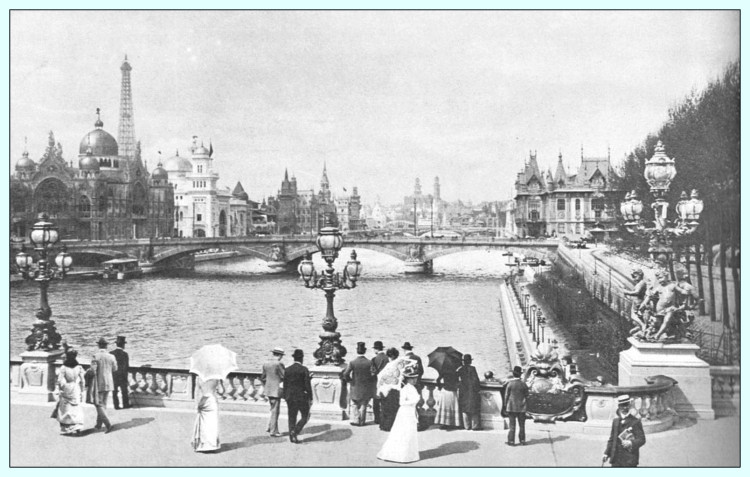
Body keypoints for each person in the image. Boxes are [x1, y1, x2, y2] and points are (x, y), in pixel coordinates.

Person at [376, 365, 421, 464]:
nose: (415, 380)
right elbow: (401, 402)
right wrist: (414, 400)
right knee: (403, 432)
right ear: (408, 379)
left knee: (409, 433)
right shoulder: (405, 388)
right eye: (412, 378)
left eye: (415, 378)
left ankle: (408, 454)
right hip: (405, 412)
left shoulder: (412, 388)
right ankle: (400, 454)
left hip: (410, 412)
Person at [603, 394, 646, 467]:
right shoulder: (615, 421)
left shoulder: (635, 421)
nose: (624, 407)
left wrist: (631, 443)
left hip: (629, 459)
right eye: (622, 405)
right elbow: (612, 439)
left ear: (629, 405)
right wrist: (606, 453)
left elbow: (642, 439)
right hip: (616, 459)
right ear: (619, 406)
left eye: (626, 405)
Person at [87, 337, 117, 433]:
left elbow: (92, 370)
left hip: (98, 382)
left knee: (98, 404)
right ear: (106, 346)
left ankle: (107, 424)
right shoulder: (111, 356)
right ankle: (99, 423)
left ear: (98, 345)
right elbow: (115, 369)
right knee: (103, 403)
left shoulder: (95, 356)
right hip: (109, 382)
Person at [342, 342, 375, 426]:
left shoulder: (353, 362)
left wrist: (350, 381)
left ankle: (356, 420)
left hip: (355, 386)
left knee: (354, 404)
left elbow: (346, 374)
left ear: (357, 351)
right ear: (365, 351)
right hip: (365, 386)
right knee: (364, 404)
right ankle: (362, 421)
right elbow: (373, 374)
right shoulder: (369, 362)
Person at [283, 349, 312, 444]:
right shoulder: (304, 370)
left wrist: (285, 396)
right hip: (301, 397)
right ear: (302, 358)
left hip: (290, 397)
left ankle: (292, 436)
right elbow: (307, 386)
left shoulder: (287, 370)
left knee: (291, 416)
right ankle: (295, 431)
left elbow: (285, 385)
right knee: (305, 416)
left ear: (293, 358)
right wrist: (310, 397)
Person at [54, 349, 85, 435]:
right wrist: (82, 390)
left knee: (65, 408)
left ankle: (66, 428)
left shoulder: (64, 367)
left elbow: (59, 380)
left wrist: (60, 389)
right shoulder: (79, 367)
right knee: (76, 407)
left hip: (67, 387)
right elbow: (83, 380)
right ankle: (77, 426)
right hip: (76, 388)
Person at [261, 346, 285, 437]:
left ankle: (270, 427)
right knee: (275, 411)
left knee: (272, 409)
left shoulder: (266, 363)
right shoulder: (279, 364)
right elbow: (284, 376)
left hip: (268, 389)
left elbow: (263, 378)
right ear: (280, 355)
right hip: (276, 390)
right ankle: (274, 431)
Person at [376, 347, 402, 431]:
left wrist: (380, 386)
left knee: (385, 408)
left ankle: (385, 425)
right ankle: (393, 425)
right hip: (396, 388)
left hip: (386, 389)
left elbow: (381, 376)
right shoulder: (400, 364)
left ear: (389, 356)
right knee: (394, 408)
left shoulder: (389, 365)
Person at [191, 377, 220, 452]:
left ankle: (202, 445)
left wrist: (196, 404)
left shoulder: (198, 377)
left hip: (203, 399)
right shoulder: (216, 377)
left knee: (202, 423)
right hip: (212, 401)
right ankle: (212, 445)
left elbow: (196, 391)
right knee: (212, 423)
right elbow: (221, 391)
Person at [504, 365, 529, 446]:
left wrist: (505, 405)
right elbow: (527, 395)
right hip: (521, 407)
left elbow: (506, 396)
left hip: (511, 407)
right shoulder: (523, 384)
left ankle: (511, 441)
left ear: (513, 374)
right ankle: (522, 440)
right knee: (522, 425)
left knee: (512, 426)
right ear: (520, 374)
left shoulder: (510, 384)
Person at [457, 353, 482, 430]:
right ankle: (475, 426)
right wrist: (477, 389)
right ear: (470, 361)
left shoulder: (460, 369)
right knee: (474, 408)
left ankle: (466, 426)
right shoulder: (473, 369)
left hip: (463, 390)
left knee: (465, 408)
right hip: (472, 390)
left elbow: (457, 379)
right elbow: (476, 380)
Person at [434, 365, 462, 429]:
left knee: (444, 407)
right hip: (452, 392)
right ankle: (452, 423)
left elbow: (438, 380)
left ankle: (444, 423)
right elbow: (458, 383)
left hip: (445, 391)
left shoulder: (444, 371)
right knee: (452, 408)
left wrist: (440, 387)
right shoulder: (456, 373)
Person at [370, 340, 388, 425]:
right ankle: (384, 418)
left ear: (376, 349)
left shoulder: (374, 359)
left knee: (376, 403)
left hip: (376, 383)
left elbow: (371, 372)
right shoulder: (387, 358)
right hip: (385, 383)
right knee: (384, 402)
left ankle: (377, 419)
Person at [110, 335, 130, 410]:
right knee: (124, 391)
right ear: (123, 345)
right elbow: (126, 367)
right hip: (122, 375)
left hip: (113, 375)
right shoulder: (125, 354)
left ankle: (116, 406)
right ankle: (126, 404)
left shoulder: (111, 353)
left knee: (114, 392)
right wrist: (126, 377)